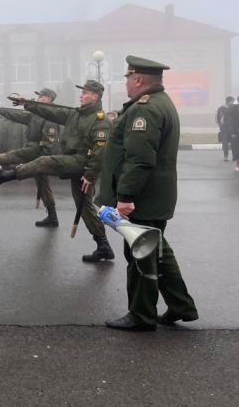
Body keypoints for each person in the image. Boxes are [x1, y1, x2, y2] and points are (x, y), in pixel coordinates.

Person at [100, 56, 198, 332]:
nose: (127, 84)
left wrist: (126, 196)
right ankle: (181, 306)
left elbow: (140, 158)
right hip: (154, 196)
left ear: (139, 79)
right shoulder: (159, 103)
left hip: (142, 198)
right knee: (158, 251)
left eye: (128, 78)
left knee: (141, 254)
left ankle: (141, 315)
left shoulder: (145, 110)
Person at [0, 80, 114, 263]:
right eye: (82, 92)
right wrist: (27, 104)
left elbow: (101, 151)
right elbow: (50, 111)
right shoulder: (74, 114)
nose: (81, 95)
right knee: (84, 206)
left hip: (82, 163)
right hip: (74, 161)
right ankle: (103, 246)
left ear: (95, 96)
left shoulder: (101, 121)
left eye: (85, 92)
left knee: (44, 161)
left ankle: (6, 175)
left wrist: (90, 174)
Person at [0, 88, 61, 227]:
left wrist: (44, 161)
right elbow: (16, 115)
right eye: (38, 96)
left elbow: (49, 143)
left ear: (49, 98)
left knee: (14, 155)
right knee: (43, 186)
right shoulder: (36, 113)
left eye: (42, 96)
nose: (38, 98)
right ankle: (52, 217)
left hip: (40, 151)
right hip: (34, 148)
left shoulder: (51, 116)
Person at [216, 96, 235, 162]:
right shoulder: (221, 108)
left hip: (232, 128)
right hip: (225, 128)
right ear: (229, 101)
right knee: (225, 142)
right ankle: (225, 156)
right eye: (232, 101)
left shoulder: (233, 108)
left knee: (233, 143)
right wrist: (220, 125)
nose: (233, 102)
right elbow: (218, 118)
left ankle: (234, 156)